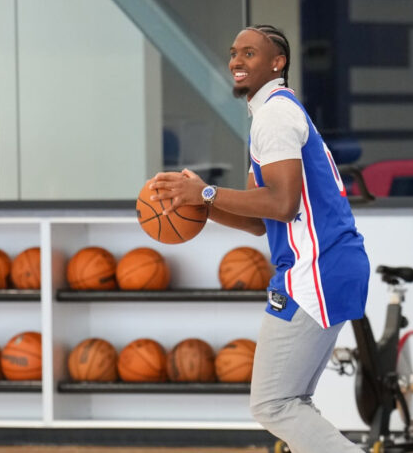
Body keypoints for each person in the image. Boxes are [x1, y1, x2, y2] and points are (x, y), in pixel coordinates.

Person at [149, 24, 369, 453]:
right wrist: (202, 205)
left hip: (315, 271)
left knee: (273, 403)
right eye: (234, 53)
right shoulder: (271, 115)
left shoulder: (275, 116)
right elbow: (258, 219)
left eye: (249, 53)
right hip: (329, 265)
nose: (236, 61)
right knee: (292, 402)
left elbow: (283, 203)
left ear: (277, 62)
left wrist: (208, 192)